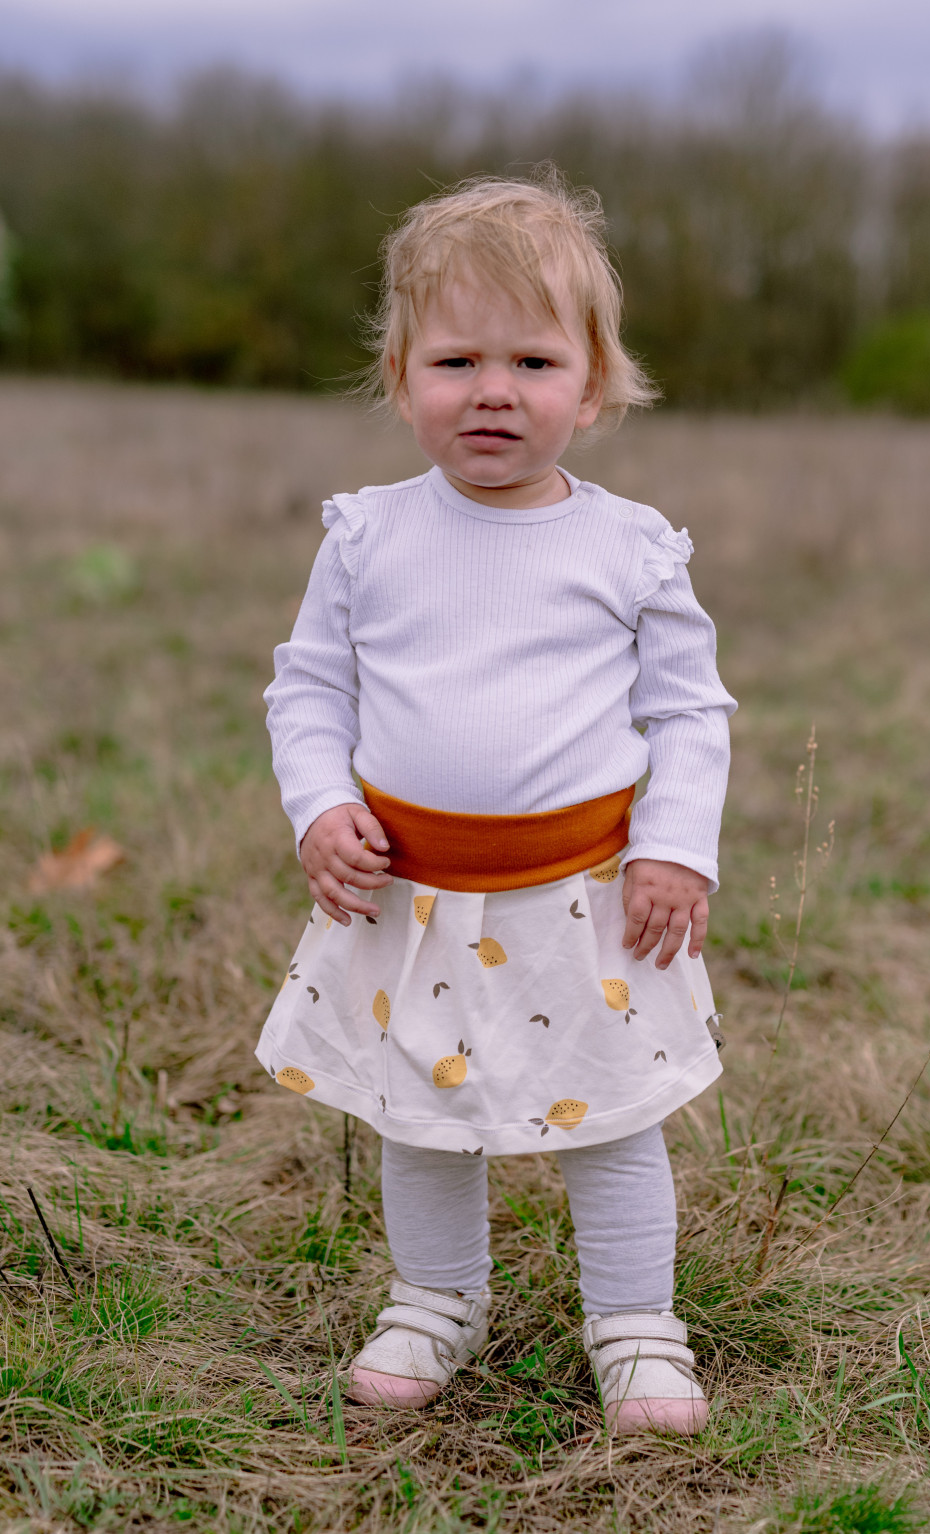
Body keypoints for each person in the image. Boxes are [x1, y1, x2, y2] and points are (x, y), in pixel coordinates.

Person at [257, 170, 737, 1436]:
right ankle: (435, 1299)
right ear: (400, 375)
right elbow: (308, 688)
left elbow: (690, 711)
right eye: (456, 360)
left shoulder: (627, 545)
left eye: (532, 361)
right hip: (407, 896)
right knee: (422, 1117)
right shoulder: (368, 536)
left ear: (594, 384)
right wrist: (318, 805)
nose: (493, 391)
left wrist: (674, 847)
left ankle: (635, 1321)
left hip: (583, 898)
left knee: (609, 1119)